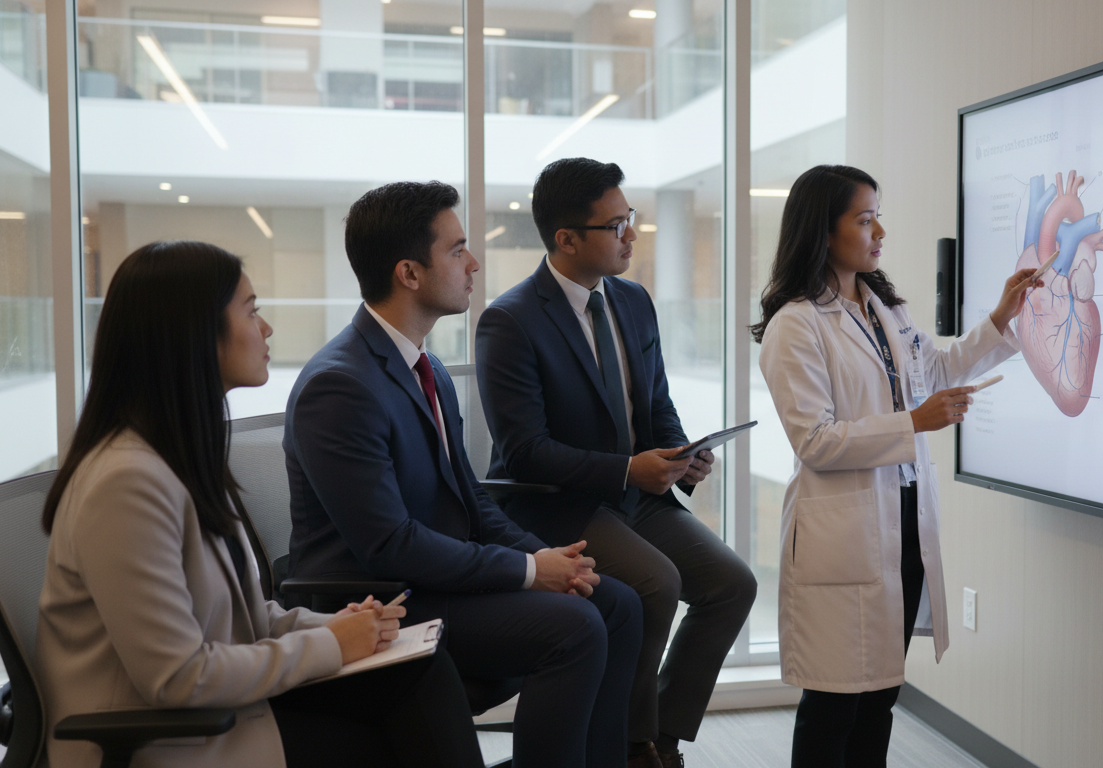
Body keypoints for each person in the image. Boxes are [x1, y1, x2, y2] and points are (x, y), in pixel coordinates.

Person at [34, 240, 486, 768]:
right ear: (195, 334)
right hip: (167, 740)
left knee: (419, 670)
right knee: (389, 737)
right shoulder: (126, 482)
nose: (266, 329)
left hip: (224, 713)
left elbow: (244, 620)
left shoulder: (177, 457)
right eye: (251, 311)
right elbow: (176, 676)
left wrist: (341, 627)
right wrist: (332, 646)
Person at [283, 181, 642, 768]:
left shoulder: (426, 366)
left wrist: (552, 561)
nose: (473, 264)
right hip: (382, 599)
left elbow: (471, 500)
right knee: (573, 628)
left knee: (616, 603)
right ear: (409, 273)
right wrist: (528, 571)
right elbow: (388, 544)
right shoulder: (340, 385)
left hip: (437, 579)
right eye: (457, 250)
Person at [753, 165, 1040, 767]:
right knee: (834, 705)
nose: (879, 230)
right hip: (842, 533)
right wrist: (914, 422)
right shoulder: (796, 324)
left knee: (881, 696)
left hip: (902, 520)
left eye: (878, 215)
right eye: (863, 219)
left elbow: (933, 371)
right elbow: (816, 440)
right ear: (823, 232)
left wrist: (1001, 316)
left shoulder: (883, 305)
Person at [476, 157, 758, 768]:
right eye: (616, 224)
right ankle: (632, 748)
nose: (631, 233)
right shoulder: (510, 319)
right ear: (567, 239)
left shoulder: (631, 301)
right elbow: (525, 448)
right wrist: (626, 470)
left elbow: (656, 403)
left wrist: (684, 454)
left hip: (638, 500)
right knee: (658, 581)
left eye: (631, 218)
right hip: (557, 504)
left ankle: (661, 733)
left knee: (734, 584)